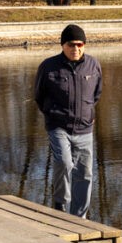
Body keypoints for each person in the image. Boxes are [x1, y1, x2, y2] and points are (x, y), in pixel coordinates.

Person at [34, 24, 102, 218]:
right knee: (63, 163)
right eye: (71, 45)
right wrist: (51, 115)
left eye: (80, 44)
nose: (76, 49)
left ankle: (79, 217)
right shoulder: (48, 66)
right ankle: (60, 206)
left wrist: (88, 112)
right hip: (59, 127)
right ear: (63, 45)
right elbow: (39, 95)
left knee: (85, 174)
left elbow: (97, 93)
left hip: (84, 128)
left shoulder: (93, 65)